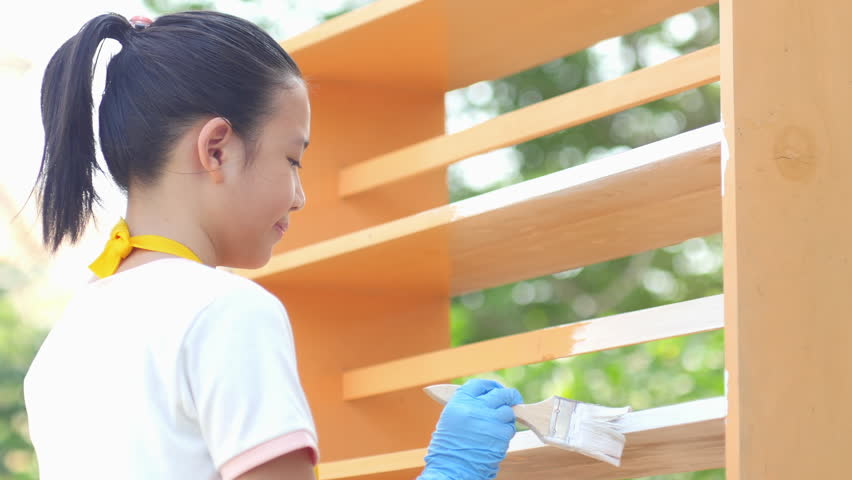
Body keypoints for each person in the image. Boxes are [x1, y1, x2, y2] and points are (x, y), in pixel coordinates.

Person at [22, 10, 524, 480]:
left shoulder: (64, 341)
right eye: (292, 159)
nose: (301, 197)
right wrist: (451, 471)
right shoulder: (225, 311)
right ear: (217, 148)